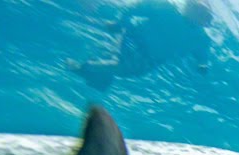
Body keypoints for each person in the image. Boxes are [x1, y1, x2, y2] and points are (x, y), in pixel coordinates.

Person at [69, 0, 213, 91]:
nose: (201, 17)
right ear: (188, 6)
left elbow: (202, 55)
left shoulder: (201, 39)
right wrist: (118, 22)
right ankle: (83, 68)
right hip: (134, 39)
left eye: (205, 16)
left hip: (151, 59)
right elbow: (135, 8)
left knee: (127, 71)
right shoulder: (166, 8)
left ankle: (97, 76)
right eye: (199, 11)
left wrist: (202, 65)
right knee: (121, 66)